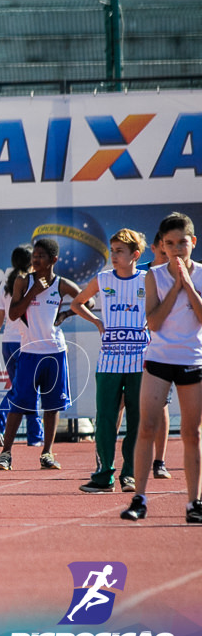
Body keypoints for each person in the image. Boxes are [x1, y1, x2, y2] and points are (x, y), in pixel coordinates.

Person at [121, 213, 202, 524]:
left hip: (192, 360)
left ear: (192, 242)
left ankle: (194, 502)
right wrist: (175, 286)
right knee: (145, 428)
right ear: (163, 247)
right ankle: (139, 499)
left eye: (182, 242)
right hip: (158, 360)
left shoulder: (201, 274)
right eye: (170, 244)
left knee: (192, 434)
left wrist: (188, 284)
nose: (177, 249)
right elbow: (153, 322)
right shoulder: (153, 276)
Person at [0, 238, 86, 471]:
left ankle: (47, 453)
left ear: (53, 260)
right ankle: (5, 454)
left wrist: (65, 315)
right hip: (29, 352)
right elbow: (13, 314)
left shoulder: (62, 284)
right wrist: (33, 291)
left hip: (55, 352)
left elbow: (87, 300)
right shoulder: (23, 281)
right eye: (34, 255)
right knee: (18, 403)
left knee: (52, 406)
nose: (35, 259)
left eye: (41, 255)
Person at [71, 229, 148, 494]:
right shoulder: (103, 279)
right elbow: (77, 303)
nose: (113, 256)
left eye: (119, 251)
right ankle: (104, 476)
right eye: (112, 250)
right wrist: (97, 322)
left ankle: (130, 475)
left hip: (141, 363)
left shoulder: (148, 281)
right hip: (109, 363)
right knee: (105, 420)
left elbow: (164, 310)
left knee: (137, 421)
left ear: (135, 255)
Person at [0, 245, 45, 450]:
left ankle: (35, 436)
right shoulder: (30, 284)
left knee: (27, 388)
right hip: (25, 344)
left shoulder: (7, 286)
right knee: (22, 389)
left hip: (8, 344)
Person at [143, 232, 173, 482]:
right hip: (131, 353)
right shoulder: (141, 274)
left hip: (162, 352)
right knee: (120, 403)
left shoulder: (179, 276)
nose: (167, 256)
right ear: (153, 248)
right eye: (163, 251)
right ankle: (108, 461)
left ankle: (159, 462)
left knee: (162, 405)